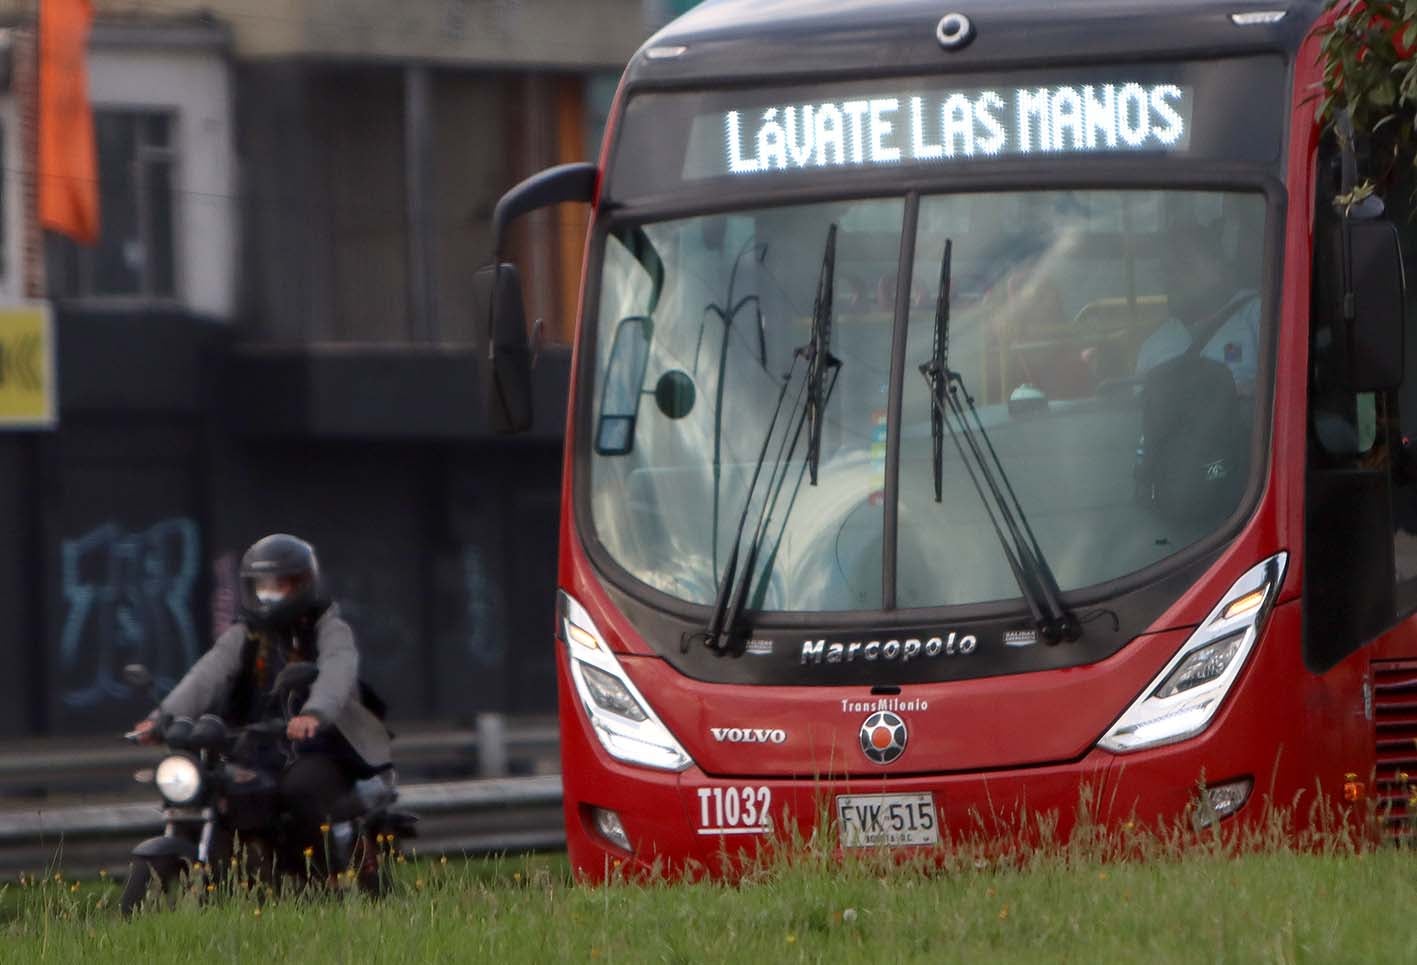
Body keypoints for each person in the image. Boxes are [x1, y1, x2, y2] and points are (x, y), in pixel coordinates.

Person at [132, 533, 391, 857]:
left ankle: (325, 877)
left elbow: (337, 673)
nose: (270, 594)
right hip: (257, 746)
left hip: (323, 746)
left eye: (280, 585)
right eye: (262, 585)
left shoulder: (328, 628)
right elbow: (206, 676)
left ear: (303, 584)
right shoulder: (246, 633)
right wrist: (161, 718)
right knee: (220, 790)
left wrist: (314, 714)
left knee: (300, 791)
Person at [1134, 222, 1261, 395]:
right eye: (1167, 270)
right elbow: (1142, 413)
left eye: (1185, 264)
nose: (1175, 277)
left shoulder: (1259, 314)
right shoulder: (1153, 346)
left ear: (1218, 265)